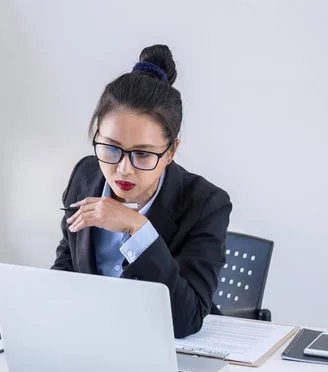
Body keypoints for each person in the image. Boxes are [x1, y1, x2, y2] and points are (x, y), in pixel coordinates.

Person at [51, 44, 232, 338]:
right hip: (95, 338)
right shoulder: (85, 176)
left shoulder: (206, 204)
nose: (123, 169)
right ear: (96, 134)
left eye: (143, 154)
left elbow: (187, 319)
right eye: (110, 148)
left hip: (167, 347)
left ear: (171, 151)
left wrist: (139, 228)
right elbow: (67, 266)